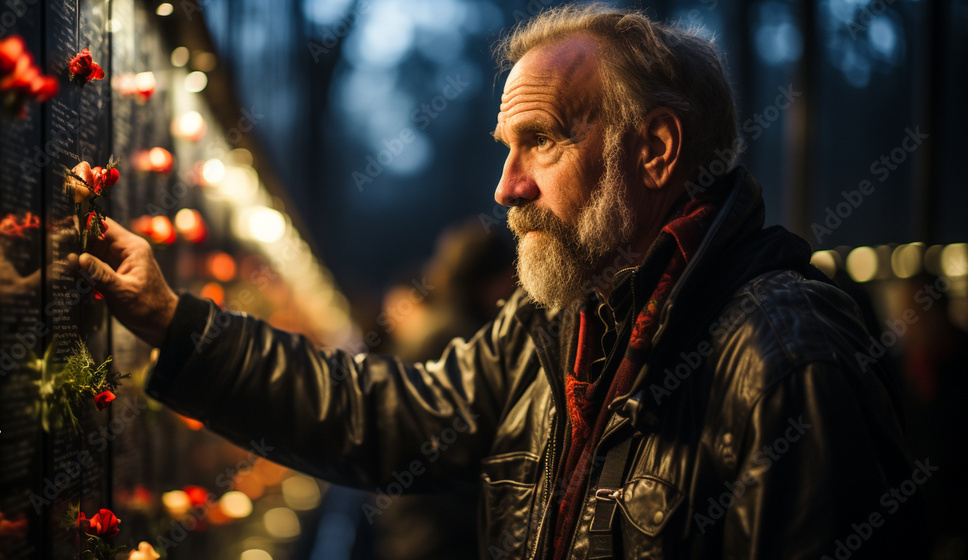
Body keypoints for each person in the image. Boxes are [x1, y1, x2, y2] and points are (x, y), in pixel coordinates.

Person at [80, 5, 925, 559]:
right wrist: (173, 322)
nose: (506, 187)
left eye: (541, 141)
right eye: (503, 148)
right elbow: (383, 417)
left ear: (656, 150)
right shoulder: (553, 326)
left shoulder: (786, 357)